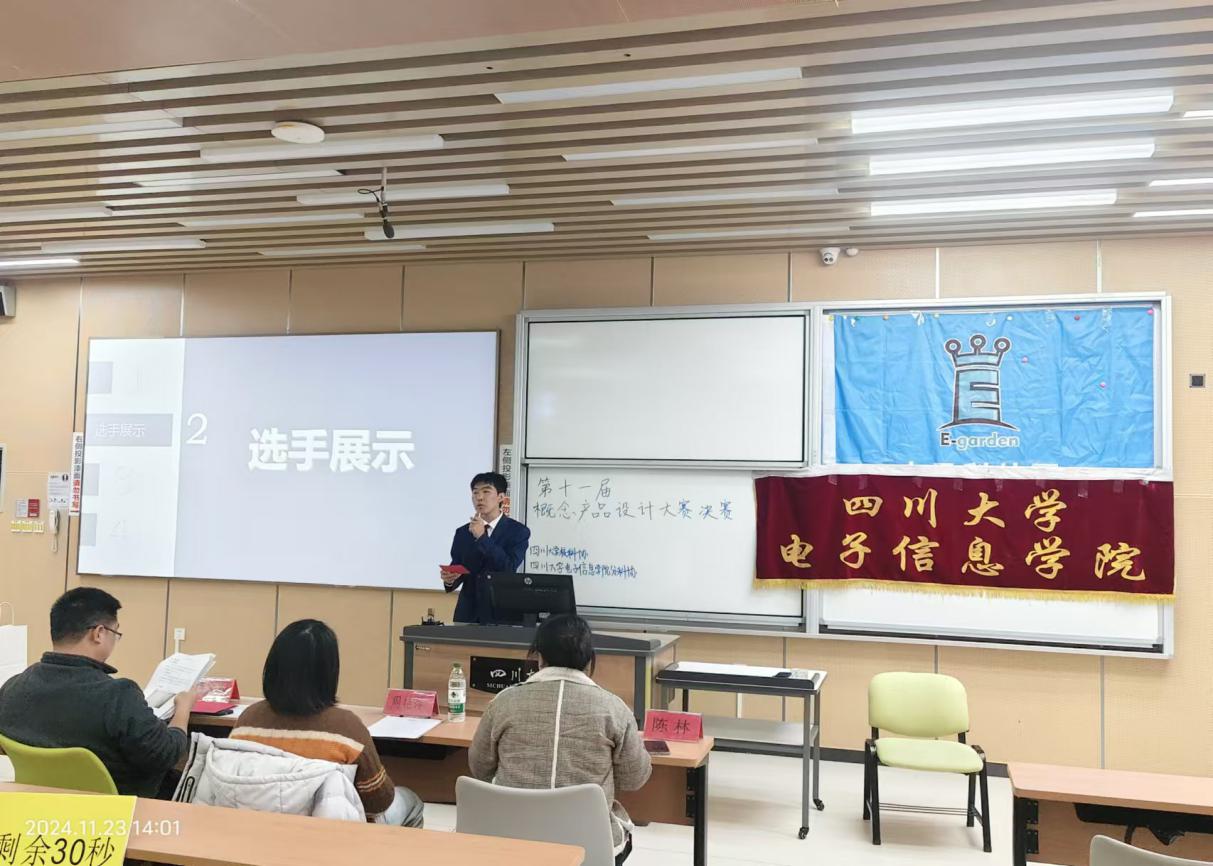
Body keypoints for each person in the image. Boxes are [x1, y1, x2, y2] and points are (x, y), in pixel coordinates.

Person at [469, 614, 650, 863]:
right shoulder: (614, 708)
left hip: (511, 842)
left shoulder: (503, 702)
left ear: (539, 656)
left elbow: (479, 767)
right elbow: (634, 778)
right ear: (589, 659)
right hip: (589, 846)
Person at [0, 587, 194, 797]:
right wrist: (183, 709)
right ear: (99, 633)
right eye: (115, 634)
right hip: (121, 811)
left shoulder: (12, 688)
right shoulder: (119, 695)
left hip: (37, 810)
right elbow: (166, 754)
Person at [231, 619, 424, 827]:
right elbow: (379, 801)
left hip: (258, 830)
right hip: (329, 835)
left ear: (272, 667)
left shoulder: (246, 722)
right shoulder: (347, 728)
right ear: (328, 673)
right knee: (410, 800)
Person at [440, 471, 531, 623]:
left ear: (501, 497)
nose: (479, 497)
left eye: (486, 491)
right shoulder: (463, 532)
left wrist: (482, 538)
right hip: (468, 613)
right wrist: (450, 579)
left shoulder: (518, 531)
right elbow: (459, 568)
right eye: (475, 493)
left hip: (501, 614)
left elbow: (508, 567)